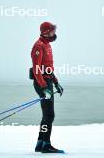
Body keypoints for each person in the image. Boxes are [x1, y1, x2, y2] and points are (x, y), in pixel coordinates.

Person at [30, 22, 64, 153]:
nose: (54, 33)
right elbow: (37, 70)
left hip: (48, 82)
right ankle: (46, 145)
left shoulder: (47, 45)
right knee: (50, 115)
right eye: (52, 31)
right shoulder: (38, 47)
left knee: (46, 115)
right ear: (46, 32)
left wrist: (56, 83)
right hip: (41, 83)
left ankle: (40, 143)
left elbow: (48, 68)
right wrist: (44, 87)